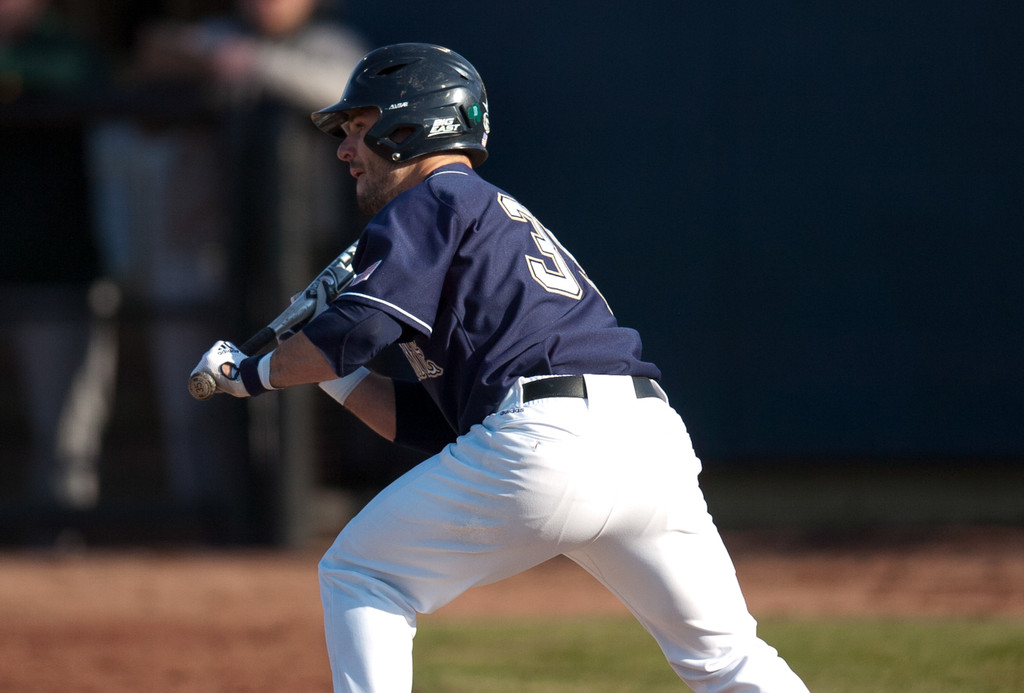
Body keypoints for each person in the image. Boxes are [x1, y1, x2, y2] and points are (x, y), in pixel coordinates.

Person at [193, 43, 810, 692]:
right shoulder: (485, 214)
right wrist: (322, 365)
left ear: (409, 124)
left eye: (357, 127)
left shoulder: (429, 200)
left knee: (362, 573)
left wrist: (252, 371)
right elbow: (424, 421)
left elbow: (355, 330)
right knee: (728, 659)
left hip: (550, 439)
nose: (346, 149)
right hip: (649, 441)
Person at [90, 0, 366, 523]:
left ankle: (290, 523)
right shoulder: (214, 35)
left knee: (292, 399)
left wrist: (253, 64)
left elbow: (340, 93)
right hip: (200, 243)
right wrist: (213, 54)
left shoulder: (332, 45)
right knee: (195, 398)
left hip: (298, 259)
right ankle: (206, 521)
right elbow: (152, 55)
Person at [1, 0, 112, 514]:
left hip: (57, 268)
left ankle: (62, 539)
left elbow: (89, 78)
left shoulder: (68, 52)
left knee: (64, 432)